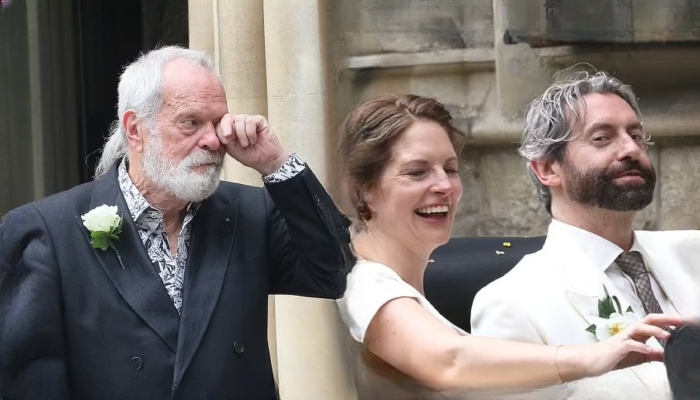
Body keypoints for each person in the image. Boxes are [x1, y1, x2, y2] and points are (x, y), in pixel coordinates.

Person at [0, 46, 353, 400]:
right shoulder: (47, 231)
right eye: (191, 123)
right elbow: (31, 381)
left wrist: (276, 164)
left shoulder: (250, 212)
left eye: (218, 122)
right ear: (135, 130)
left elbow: (334, 273)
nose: (213, 140)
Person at [335, 93, 688, 400]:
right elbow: (449, 361)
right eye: (417, 172)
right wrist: (592, 357)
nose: (445, 185)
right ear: (366, 190)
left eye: (451, 168)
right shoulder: (366, 283)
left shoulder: (400, 282)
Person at [471, 71, 700, 399]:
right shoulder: (510, 304)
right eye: (602, 138)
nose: (630, 149)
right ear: (547, 168)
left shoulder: (694, 251)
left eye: (636, 135)